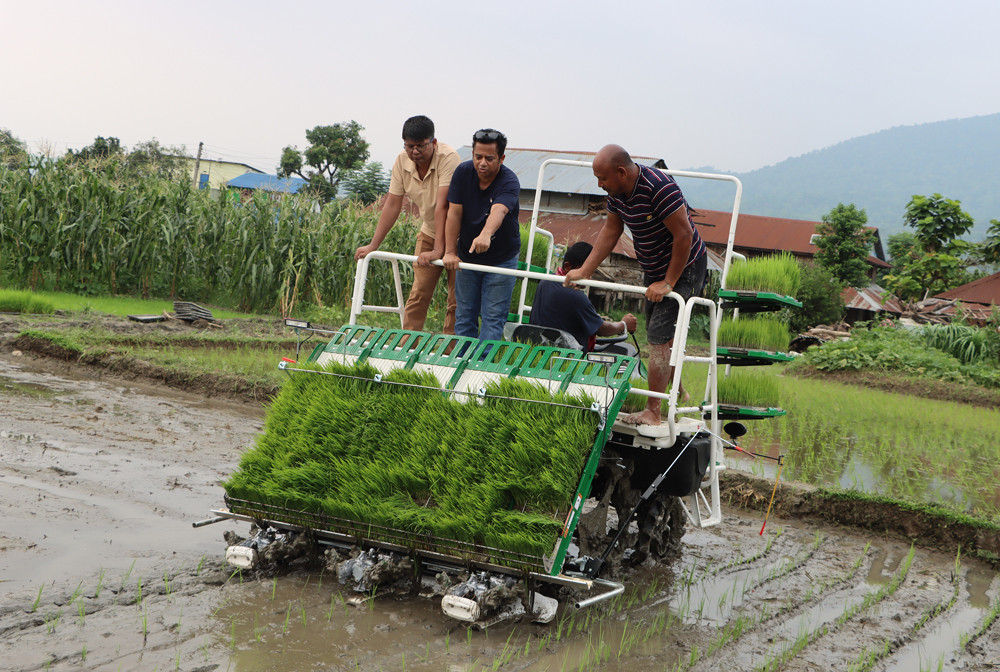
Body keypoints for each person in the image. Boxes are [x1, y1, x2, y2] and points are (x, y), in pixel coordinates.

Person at [564, 144, 707, 425]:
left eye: (602, 178)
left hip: (684, 265)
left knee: (656, 334)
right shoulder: (617, 194)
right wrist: (585, 270)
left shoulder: (659, 188)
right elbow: (611, 230)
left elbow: (684, 235)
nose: (599, 184)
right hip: (653, 267)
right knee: (662, 336)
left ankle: (654, 411)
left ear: (621, 172)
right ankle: (677, 390)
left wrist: (668, 282)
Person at [355, 115, 460, 333]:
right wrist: (373, 245)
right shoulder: (402, 161)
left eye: (420, 146)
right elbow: (392, 204)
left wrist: (441, 250)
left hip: (456, 235)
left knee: (456, 299)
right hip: (429, 231)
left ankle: (452, 352)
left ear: (433, 142)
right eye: (409, 146)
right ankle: (408, 345)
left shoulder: (449, 158)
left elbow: (444, 206)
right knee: (418, 294)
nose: (414, 151)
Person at [442, 129, 521, 342]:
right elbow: (454, 213)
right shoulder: (462, 173)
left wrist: (486, 234)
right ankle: (462, 361)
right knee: (464, 314)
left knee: (493, 317)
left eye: (489, 158)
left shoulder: (509, 181)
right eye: (478, 157)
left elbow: (500, 210)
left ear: (501, 158)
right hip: (467, 257)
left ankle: (482, 368)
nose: (482, 163)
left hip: (501, 259)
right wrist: (450, 251)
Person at [529, 241, 637, 352]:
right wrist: (624, 324)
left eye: (591, 271)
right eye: (585, 271)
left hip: (539, 349)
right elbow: (601, 329)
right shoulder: (576, 297)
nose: (589, 277)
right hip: (566, 356)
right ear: (568, 267)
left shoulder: (545, 282)